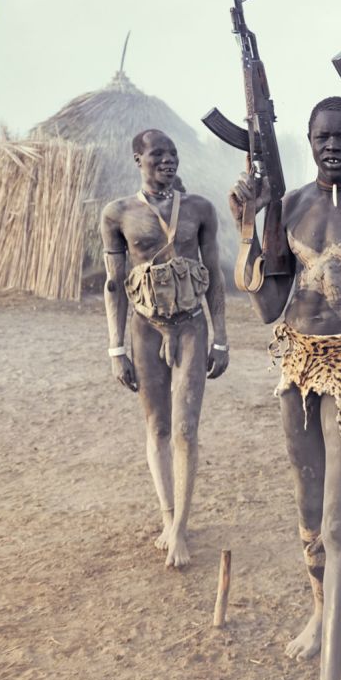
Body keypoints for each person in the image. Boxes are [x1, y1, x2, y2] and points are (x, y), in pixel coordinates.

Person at [229, 97, 341, 680]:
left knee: (339, 521)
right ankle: (322, 610)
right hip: (297, 367)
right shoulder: (291, 206)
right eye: (322, 136)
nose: (333, 146)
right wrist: (251, 230)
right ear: (307, 140)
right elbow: (268, 309)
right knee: (309, 512)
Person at [100, 129, 229, 569]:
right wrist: (116, 349)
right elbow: (115, 284)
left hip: (191, 327)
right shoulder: (118, 214)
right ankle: (168, 515)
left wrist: (221, 337)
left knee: (186, 429)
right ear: (138, 159)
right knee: (157, 427)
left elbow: (213, 274)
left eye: (173, 153)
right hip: (144, 328)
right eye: (157, 154)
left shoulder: (199, 210)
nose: (168, 161)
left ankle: (180, 531)